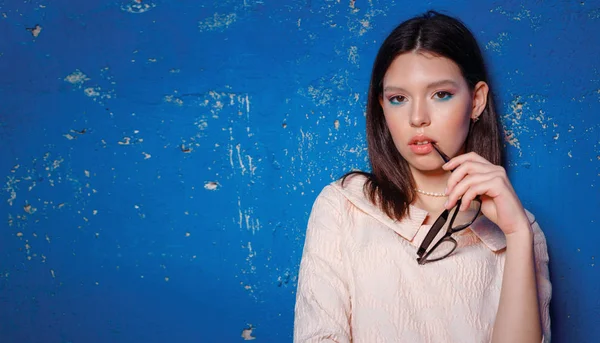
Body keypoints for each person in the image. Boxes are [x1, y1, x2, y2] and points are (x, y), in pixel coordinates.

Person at [293, 10, 552, 343]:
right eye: (398, 99)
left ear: (476, 101)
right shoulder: (343, 207)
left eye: (441, 94)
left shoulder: (522, 229)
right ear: (382, 107)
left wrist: (516, 234)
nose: (418, 118)